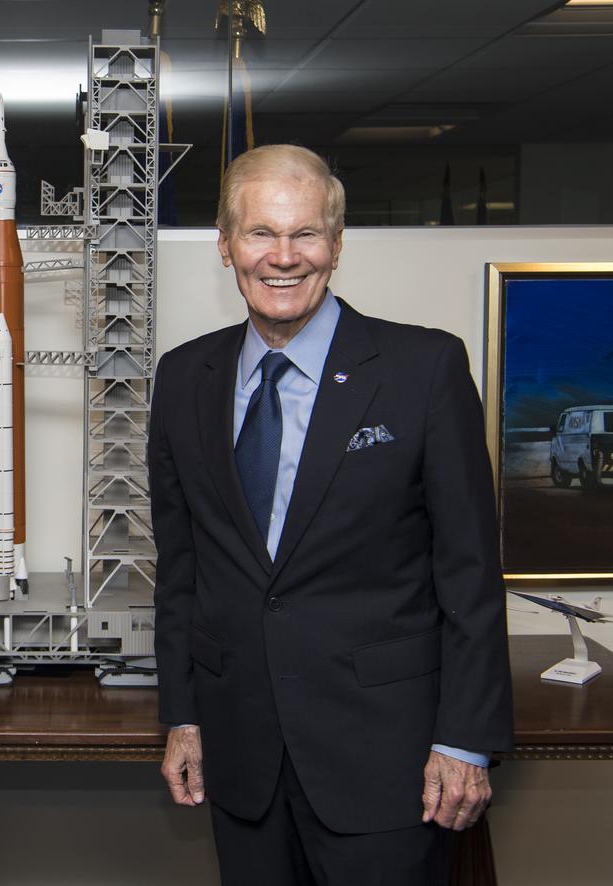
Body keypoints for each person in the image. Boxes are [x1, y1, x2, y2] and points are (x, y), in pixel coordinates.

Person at [148, 144, 513, 885]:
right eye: (259, 234)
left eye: (306, 233)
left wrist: (466, 741)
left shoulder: (424, 370)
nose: (283, 257)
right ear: (225, 244)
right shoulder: (185, 377)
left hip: (390, 763)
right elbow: (182, 573)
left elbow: (470, 572)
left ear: (337, 245)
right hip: (240, 757)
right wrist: (183, 716)